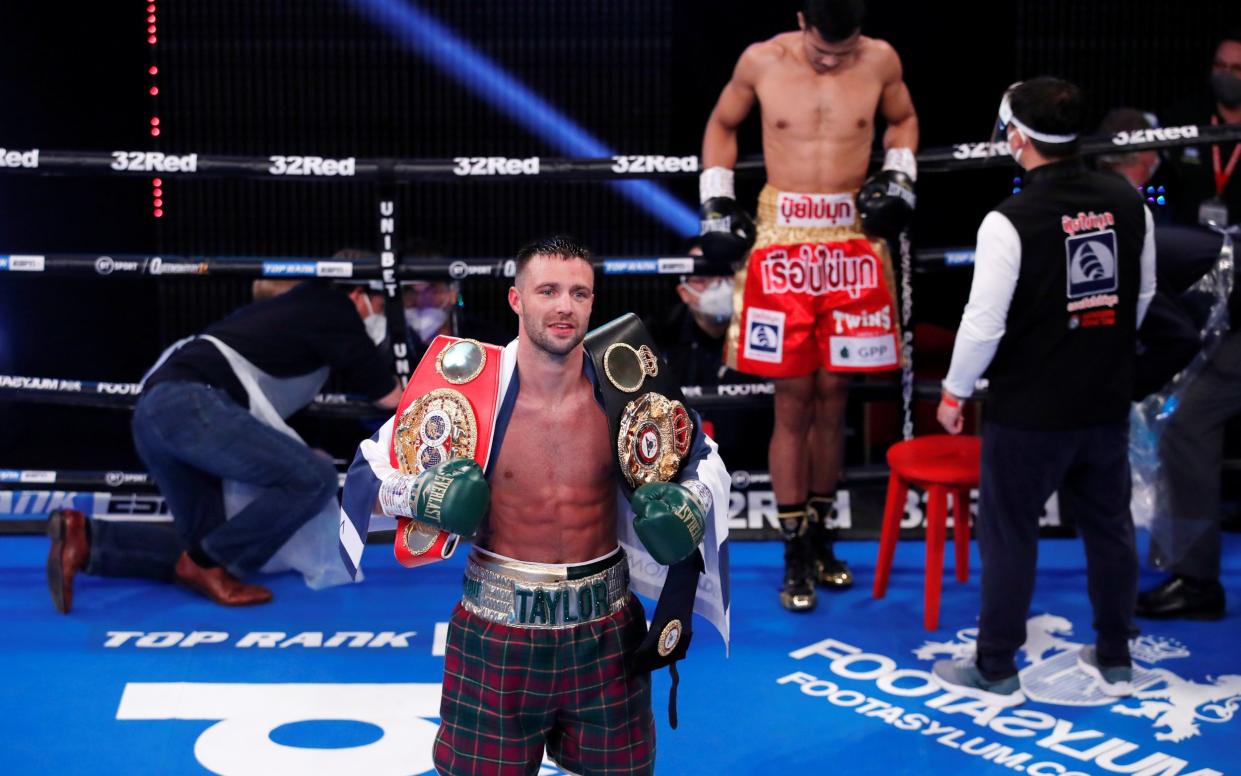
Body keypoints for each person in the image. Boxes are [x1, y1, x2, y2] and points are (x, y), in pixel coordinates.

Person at [342, 236, 730, 775]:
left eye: (579, 293)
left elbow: (701, 457)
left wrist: (691, 501)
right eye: (547, 290)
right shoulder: (467, 390)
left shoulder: (626, 388)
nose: (564, 306)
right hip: (497, 630)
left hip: (607, 628)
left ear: (593, 303)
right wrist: (420, 494)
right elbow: (366, 474)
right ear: (516, 300)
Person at [932, 78, 1156, 705]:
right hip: (1104, 400)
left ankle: (997, 665)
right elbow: (1139, 298)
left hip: (1029, 410)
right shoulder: (1129, 201)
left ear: (1016, 137)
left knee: (1010, 535)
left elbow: (983, 324)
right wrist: (1099, 353)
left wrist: (952, 393)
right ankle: (1115, 657)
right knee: (1110, 529)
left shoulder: (1009, 221)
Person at [699, 0, 918, 610]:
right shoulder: (761, 60)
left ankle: (822, 540)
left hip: (852, 239)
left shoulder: (880, 60)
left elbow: (903, 119)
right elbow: (722, 125)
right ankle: (793, 550)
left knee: (836, 396)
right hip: (782, 241)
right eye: (822, 49)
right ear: (801, 21)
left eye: (842, 52)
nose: (831, 61)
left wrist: (900, 175)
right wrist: (717, 199)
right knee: (793, 401)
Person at [45, 277, 400, 612]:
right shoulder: (333, 307)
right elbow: (389, 396)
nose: (379, 316)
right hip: (192, 405)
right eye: (381, 305)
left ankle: (86, 538)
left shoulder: (288, 320)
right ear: (357, 293)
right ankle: (205, 564)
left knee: (210, 547)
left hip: (156, 411)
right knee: (315, 477)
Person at [1166, 30, 1241, 228]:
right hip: (1189, 240)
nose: (1226, 74)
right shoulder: (1184, 117)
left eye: (1236, 68)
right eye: (1220, 65)